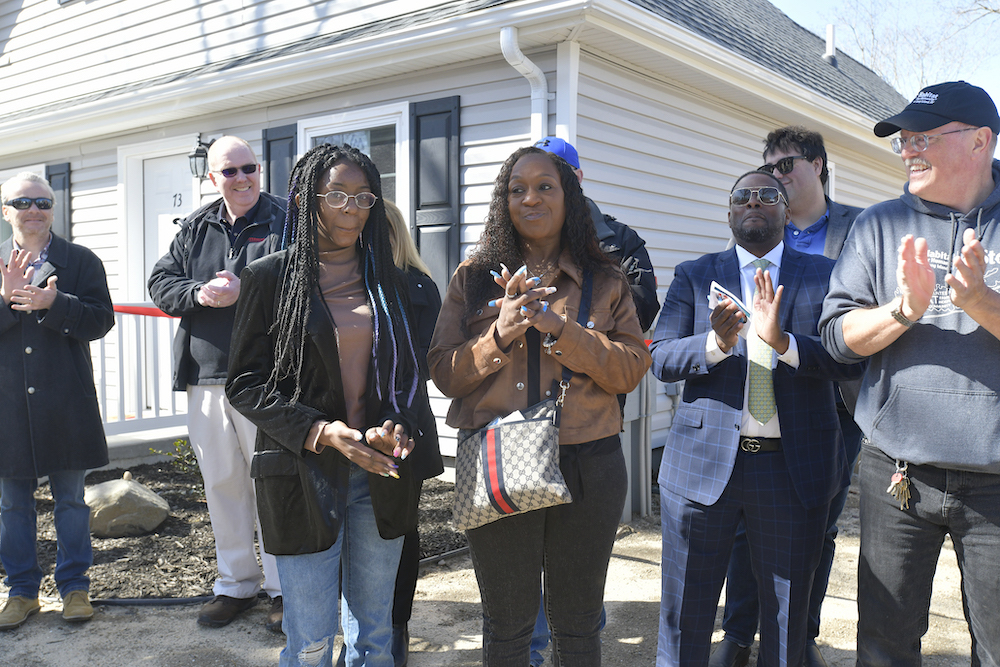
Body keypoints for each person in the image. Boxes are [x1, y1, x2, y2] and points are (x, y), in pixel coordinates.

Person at [428, 145, 651, 666]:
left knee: (577, 624)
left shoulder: (606, 279)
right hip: (496, 458)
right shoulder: (473, 277)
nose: (530, 198)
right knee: (507, 624)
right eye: (516, 189)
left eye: (544, 186)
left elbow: (630, 369)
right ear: (503, 203)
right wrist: (500, 334)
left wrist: (559, 328)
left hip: (588, 462)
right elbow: (443, 373)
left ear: (568, 196)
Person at [819, 81, 1000, 667]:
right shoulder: (876, 225)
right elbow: (836, 338)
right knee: (884, 644)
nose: (907, 150)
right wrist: (903, 310)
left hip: (998, 480)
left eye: (923, 137)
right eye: (903, 140)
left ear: (980, 140)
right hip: (898, 472)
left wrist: (980, 301)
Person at [651, 171, 864, 667]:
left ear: (787, 211)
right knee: (685, 613)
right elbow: (660, 357)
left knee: (788, 622)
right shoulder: (696, 274)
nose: (754, 202)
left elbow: (846, 356)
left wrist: (784, 343)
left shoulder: (825, 274)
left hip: (792, 470)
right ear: (729, 212)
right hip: (701, 471)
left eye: (769, 196)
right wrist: (717, 344)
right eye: (742, 196)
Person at [226, 143, 424, 667]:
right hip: (302, 473)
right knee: (311, 641)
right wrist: (322, 432)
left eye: (363, 198)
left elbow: (407, 378)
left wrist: (394, 428)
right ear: (306, 198)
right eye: (336, 195)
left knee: (376, 636)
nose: (352, 208)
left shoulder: (390, 282)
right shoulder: (269, 277)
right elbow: (244, 383)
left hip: (380, 476)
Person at [714, 127, 864, 667]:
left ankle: (801, 634)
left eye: (787, 165)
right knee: (740, 526)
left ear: (819, 165)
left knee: (816, 526)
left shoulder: (857, 230)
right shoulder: (757, 229)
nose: (775, 177)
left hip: (828, 403)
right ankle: (738, 633)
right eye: (768, 167)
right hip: (749, 402)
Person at [529, 135, 659, 666]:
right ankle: (536, 646)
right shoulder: (515, 240)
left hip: (595, 415)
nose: (541, 193)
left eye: (556, 177)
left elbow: (639, 318)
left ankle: (581, 636)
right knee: (530, 542)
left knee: (582, 547)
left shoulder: (620, 241)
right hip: (526, 417)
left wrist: (571, 331)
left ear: (577, 181)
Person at [147, 135, 284, 630]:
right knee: (222, 483)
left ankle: (283, 589)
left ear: (259, 169)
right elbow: (161, 283)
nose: (242, 177)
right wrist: (200, 294)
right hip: (206, 377)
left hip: (267, 377)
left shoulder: (288, 219)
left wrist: (248, 289)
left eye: (249, 167)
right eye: (229, 171)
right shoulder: (196, 227)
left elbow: (306, 279)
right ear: (212, 178)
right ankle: (235, 584)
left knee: (270, 484)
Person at [0, 172, 114, 629]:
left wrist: (56, 304)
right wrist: (6, 300)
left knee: (71, 500)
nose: (34, 210)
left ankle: (74, 588)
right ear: (5, 209)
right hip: (7, 405)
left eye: (43, 203)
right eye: (22, 202)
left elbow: (100, 321)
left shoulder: (80, 261)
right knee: (12, 505)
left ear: (53, 209)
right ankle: (22, 592)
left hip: (66, 401)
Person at [384, 200, 444, 667]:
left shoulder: (420, 285)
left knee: (401, 529)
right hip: (343, 422)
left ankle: (396, 625)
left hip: (404, 418)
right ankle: (361, 625)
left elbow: (423, 362)